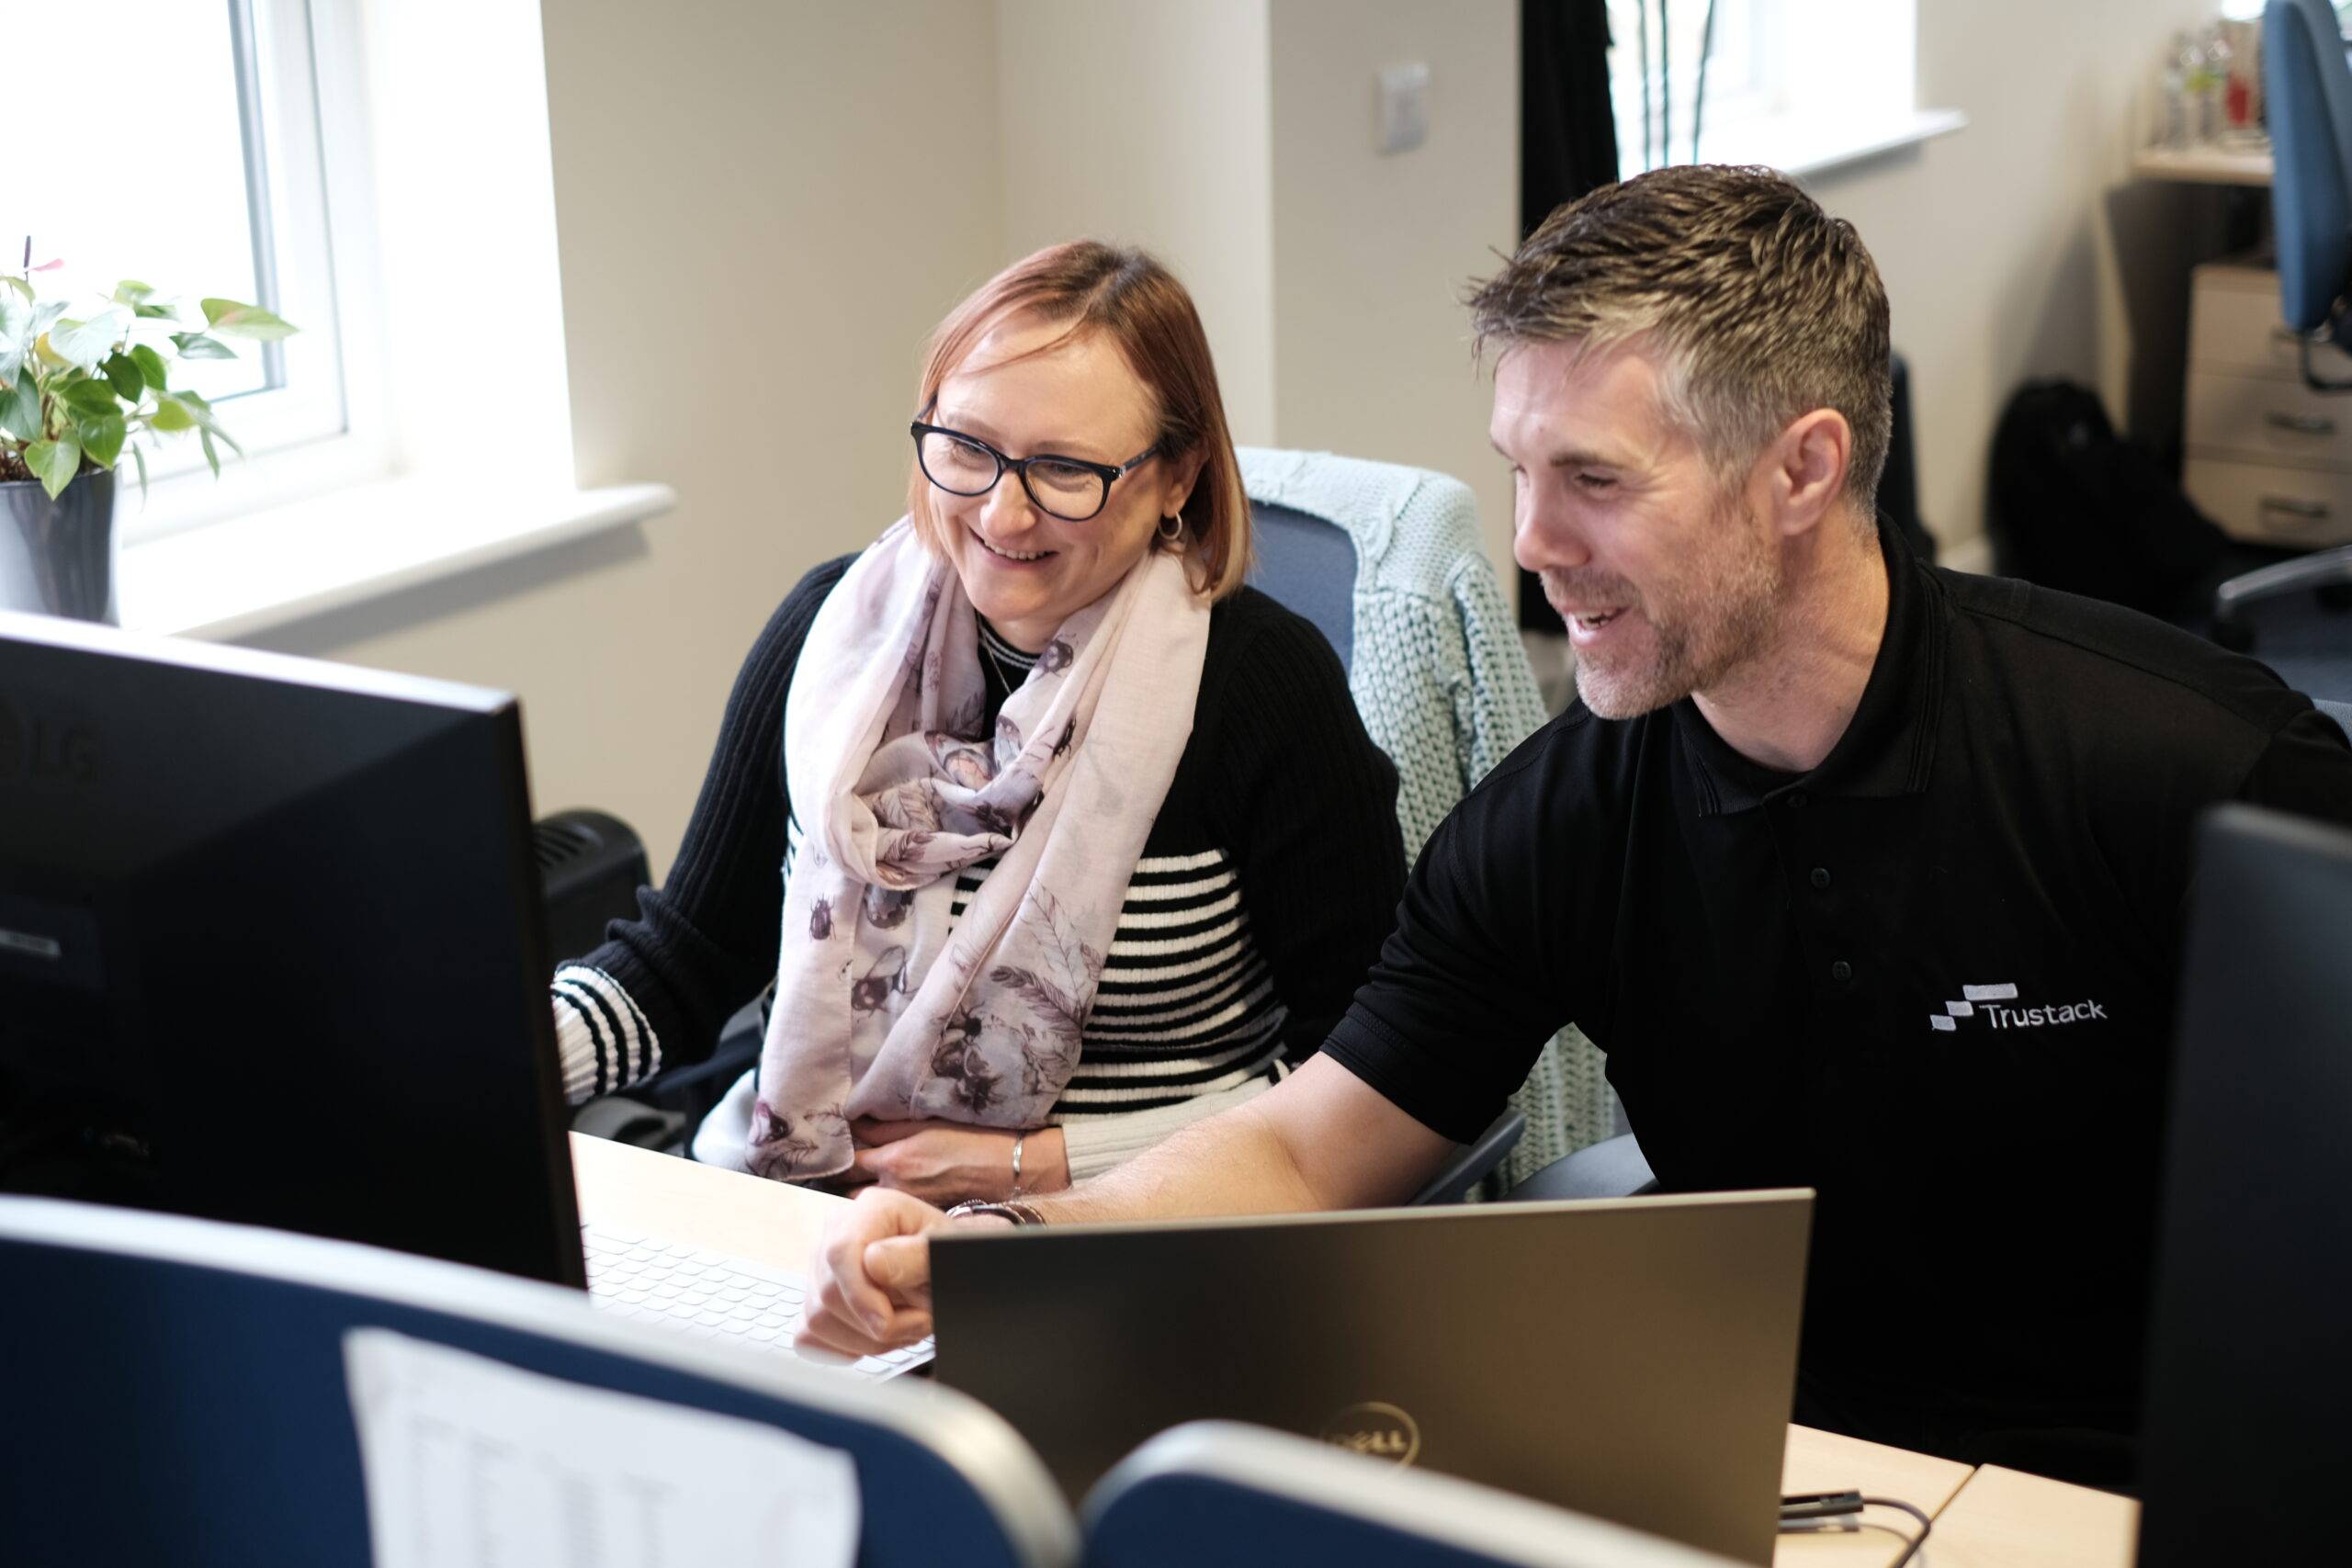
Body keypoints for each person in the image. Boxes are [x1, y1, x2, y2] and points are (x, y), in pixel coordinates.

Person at [798, 166, 2352, 1484]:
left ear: (1802, 468)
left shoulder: (2189, 766)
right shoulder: (1563, 818)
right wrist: (1015, 1247)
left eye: (1595, 480)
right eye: (1521, 474)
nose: (1534, 544)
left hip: (2147, 1482)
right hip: (1764, 1464)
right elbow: (1306, 1146)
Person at [548, 241, 1406, 1206]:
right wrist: (486, 1059)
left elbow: (1372, 1074)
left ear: (1177, 478)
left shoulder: (1261, 685)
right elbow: (686, 962)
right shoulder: (829, 639)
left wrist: (1037, 1166)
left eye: (1064, 468)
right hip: (814, 1206)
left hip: (1137, 1230)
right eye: (967, 448)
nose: (1003, 513)